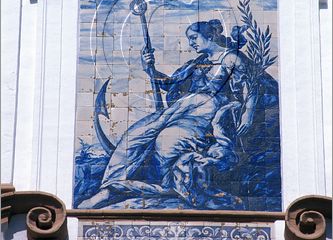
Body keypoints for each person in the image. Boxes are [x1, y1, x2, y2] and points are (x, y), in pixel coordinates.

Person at [78, 19, 278, 210]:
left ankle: (156, 186)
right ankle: (109, 188)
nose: (190, 43)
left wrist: (248, 114)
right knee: (136, 135)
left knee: (166, 140)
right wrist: (150, 68)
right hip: (184, 109)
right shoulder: (198, 63)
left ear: (209, 35)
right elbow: (170, 83)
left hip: (209, 114)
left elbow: (250, 88)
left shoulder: (231, 58)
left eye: (194, 37)